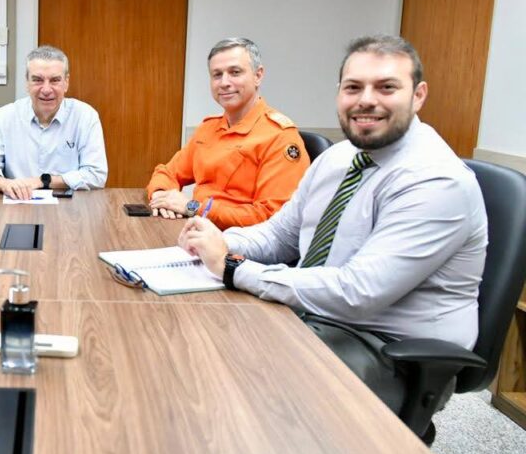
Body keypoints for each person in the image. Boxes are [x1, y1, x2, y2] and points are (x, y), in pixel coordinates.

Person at [179, 35, 486, 413]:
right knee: (201, 342)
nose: (366, 100)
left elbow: (357, 292)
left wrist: (233, 267)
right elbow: (281, 233)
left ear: (418, 95)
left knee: (243, 384)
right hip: (318, 317)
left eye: (386, 87)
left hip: (388, 351)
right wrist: (219, 241)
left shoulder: (436, 180)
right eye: (353, 87)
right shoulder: (338, 158)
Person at [147, 37, 309, 228]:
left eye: (235, 72)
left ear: (258, 75)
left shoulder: (279, 136)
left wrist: (193, 207)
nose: (224, 82)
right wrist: (161, 195)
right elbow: (167, 173)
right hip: (196, 231)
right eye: (217, 75)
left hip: (239, 242)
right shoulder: (208, 128)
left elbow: (273, 220)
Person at [0, 45, 107, 199]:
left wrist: (42, 181)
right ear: (27, 83)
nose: (46, 90)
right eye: (37, 80)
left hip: (70, 208)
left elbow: (96, 175)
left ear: (66, 83)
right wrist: (4, 183)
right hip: (18, 204)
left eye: (55, 80)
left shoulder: (85, 116)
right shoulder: (3, 117)